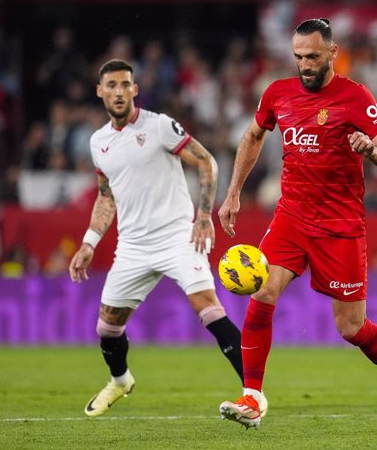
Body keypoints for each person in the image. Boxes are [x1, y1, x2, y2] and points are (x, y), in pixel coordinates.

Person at [217, 19, 377, 431]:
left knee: (350, 327)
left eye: (312, 57)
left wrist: (369, 150)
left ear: (332, 53)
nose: (304, 65)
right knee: (263, 289)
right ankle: (252, 395)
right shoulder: (277, 94)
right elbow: (253, 137)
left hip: (340, 224)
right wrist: (233, 192)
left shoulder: (356, 98)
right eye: (299, 57)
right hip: (292, 215)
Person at [68, 59, 266, 418]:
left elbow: (206, 162)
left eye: (125, 84)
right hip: (132, 246)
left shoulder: (159, 126)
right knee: (108, 327)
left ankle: (253, 395)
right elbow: (105, 195)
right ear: (99, 91)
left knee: (209, 309)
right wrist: (88, 242)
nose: (118, 91)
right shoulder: (99, 143)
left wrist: (204, 214)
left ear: (135, 89)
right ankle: (121, 380)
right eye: (110, 85)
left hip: (178, 236)